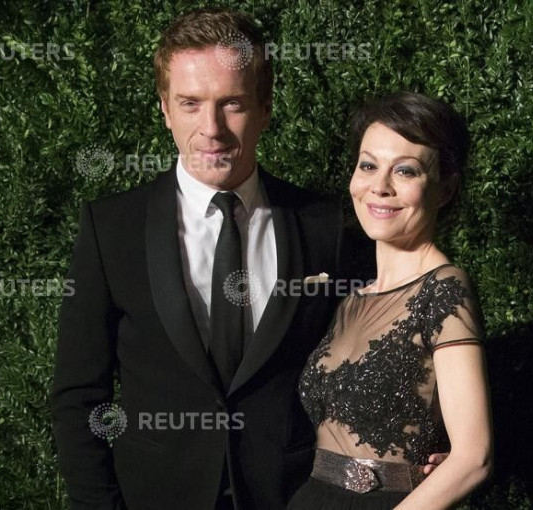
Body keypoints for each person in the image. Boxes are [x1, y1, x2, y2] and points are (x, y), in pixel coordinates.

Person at [51, 9, 445, 510]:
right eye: (189, 104)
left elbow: (381, 360)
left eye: (231, 103)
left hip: (296, 498)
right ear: (165, 109)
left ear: (265, 107)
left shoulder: (330, 228)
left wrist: (421, 443)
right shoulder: (112, 229)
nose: (210, 128)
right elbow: (77, 398)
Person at [289, 92, 493, 509]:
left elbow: (474, 457)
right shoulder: (350, 300)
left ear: (446, 189)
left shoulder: (444, 288)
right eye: (368, 165)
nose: (379, 187)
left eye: (405, 171)